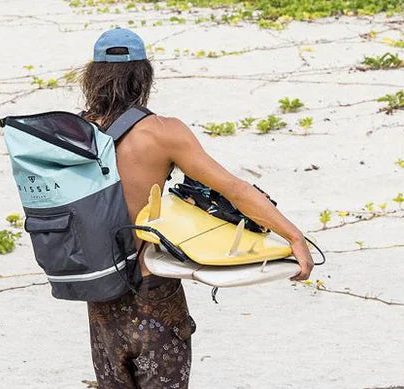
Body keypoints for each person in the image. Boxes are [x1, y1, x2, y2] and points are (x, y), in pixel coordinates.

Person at [79, 27, 316, 388]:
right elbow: (233, 189)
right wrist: (293, 238)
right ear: (144, 75)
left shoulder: (74, 133)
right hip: (152, 291)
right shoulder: (162, 132)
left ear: (92, 76)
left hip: (99, 295)